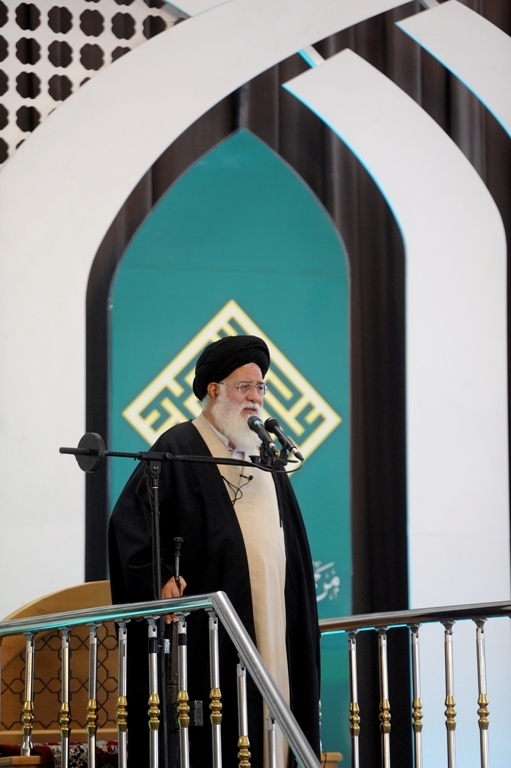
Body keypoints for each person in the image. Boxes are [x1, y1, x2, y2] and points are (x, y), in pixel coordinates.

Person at [109, 334, 320, 768]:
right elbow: (131, 522)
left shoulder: (265, 454)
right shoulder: (179, 446)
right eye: (244, 387)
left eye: (260, 388)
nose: (255, 398)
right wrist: (159, 577)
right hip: (213, 632)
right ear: (214, 390)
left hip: (275, 619)